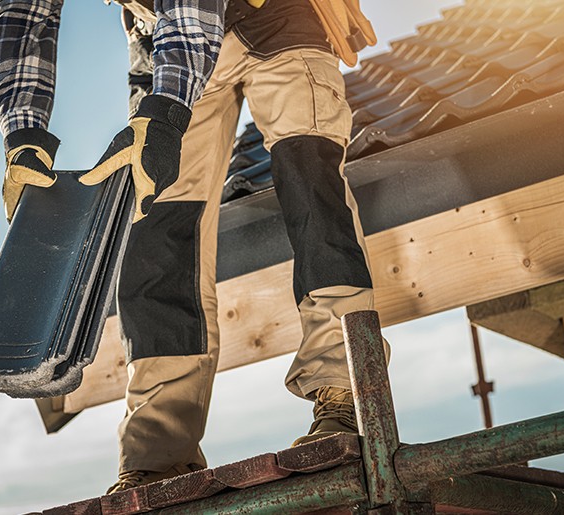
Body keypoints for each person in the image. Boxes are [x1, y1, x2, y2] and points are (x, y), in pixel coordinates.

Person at [88, 0, 387, 494]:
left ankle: (345, 391)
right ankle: (158, 450)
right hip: (169, 46)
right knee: (160, 227)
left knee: (310, 178)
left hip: (282, 16)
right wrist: (22, 133)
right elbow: (24, 19)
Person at [0, 0, 225, 222]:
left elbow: (193, 12)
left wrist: (167, 115)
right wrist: (23, 135)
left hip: (248, 35)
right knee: (158, 207)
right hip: (164, 46)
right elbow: (24, 12)